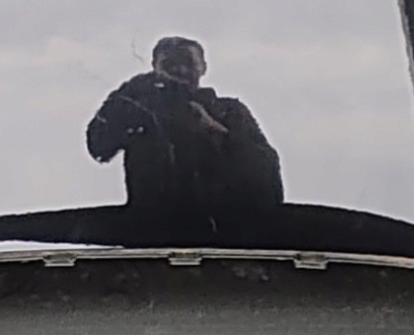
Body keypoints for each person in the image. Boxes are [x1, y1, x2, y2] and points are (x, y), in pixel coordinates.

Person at [85, 36, 282, 244]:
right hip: (154, 234)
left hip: (223, 233)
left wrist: (214, 129)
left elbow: (267, 173)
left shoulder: (229, 111)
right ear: (154, 68)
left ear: (203, 67)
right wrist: (127, 92)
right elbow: (99, 148)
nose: (179, 70)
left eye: (188, 63)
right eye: (169, 64)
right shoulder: (137, 111)